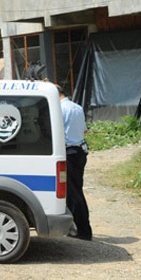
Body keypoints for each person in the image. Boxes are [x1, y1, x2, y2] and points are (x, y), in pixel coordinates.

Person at [57, 84, 92, 241]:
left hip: (69, 153)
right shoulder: (76, 107)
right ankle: (73, 227)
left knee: (73, 193)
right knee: (74, 190)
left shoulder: (60, 109)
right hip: (79, 152)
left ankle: (84, 231)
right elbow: (84, 130)